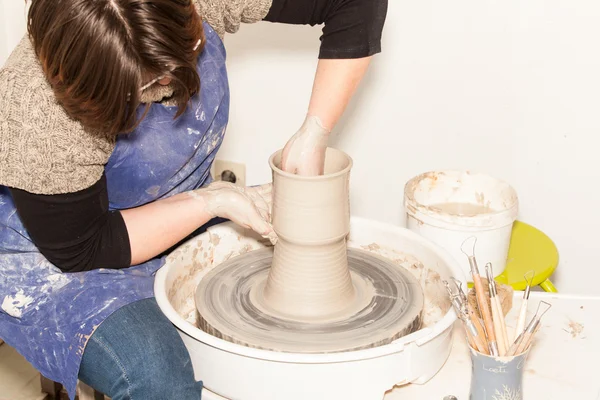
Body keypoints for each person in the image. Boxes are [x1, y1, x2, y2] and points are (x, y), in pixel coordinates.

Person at [0, 0, 387, 398]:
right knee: (157, 375)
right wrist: (209, 202)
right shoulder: (36, 111)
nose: (170, 85)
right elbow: (85, 246)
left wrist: (315, 131)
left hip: (179, 204)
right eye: (150, 86)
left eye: (183, 56)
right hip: (56, 253)